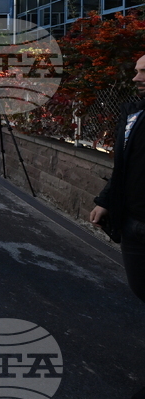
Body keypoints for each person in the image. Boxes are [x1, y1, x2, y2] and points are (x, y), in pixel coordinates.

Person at [90, 53, 145, 303]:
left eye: (144, 72)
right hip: (132, 222)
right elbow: (124, 166)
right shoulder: (134, 113)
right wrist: (106, 201)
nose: (137, 78)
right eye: (137, 71)